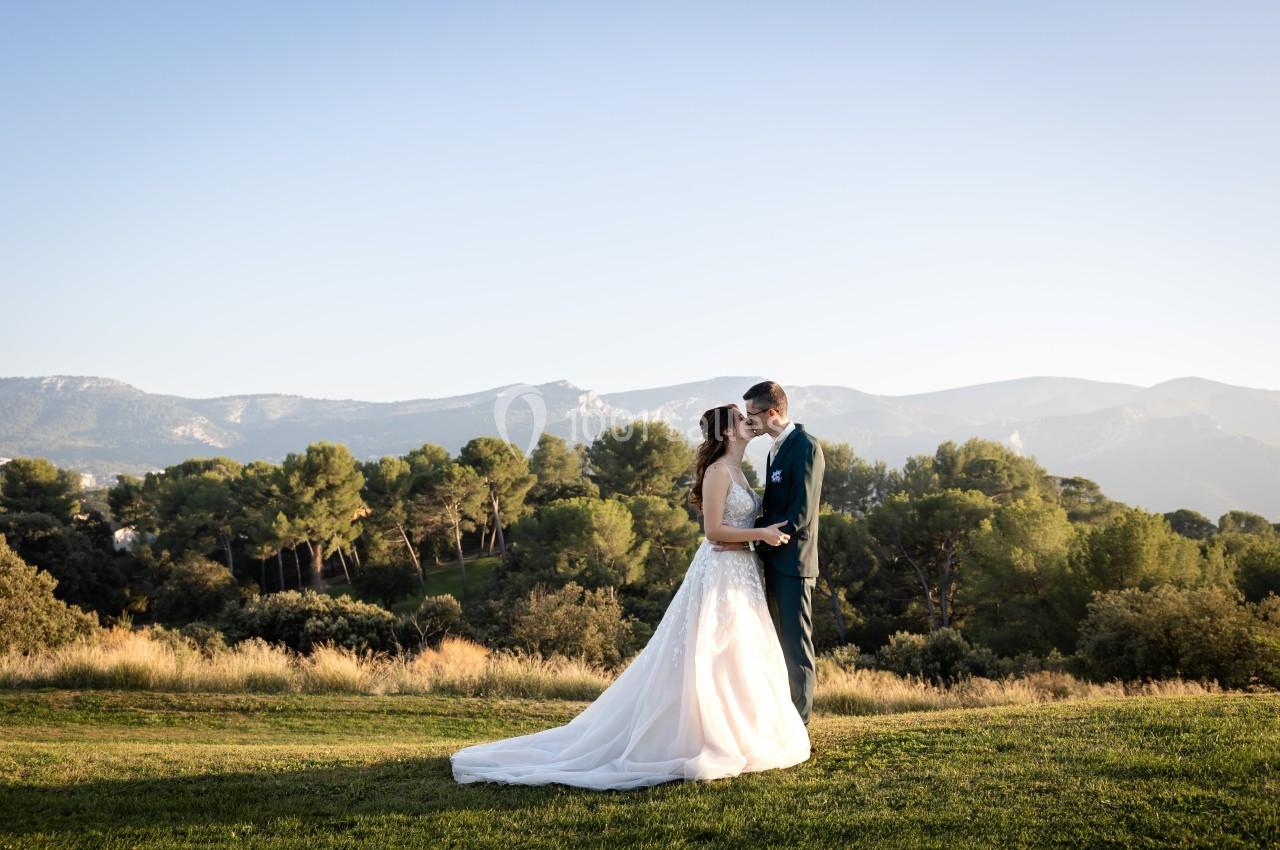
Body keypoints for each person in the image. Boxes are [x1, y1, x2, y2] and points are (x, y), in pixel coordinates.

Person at [449, 404, 810, 790]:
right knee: (708, 654)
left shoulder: (739, 469)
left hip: (741, 572)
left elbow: (736, 522)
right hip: (719, 571)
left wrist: (761, 532)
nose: (748, 422)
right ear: (727, 433)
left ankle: (742, 729)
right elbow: (713, 531)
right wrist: (761, 534)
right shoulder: (718, 472)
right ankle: (702, 736)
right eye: (741, 418)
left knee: (736, 654)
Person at [714, 380, 825, 724]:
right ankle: (778, 720)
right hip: (770, 560)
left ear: (772, 413)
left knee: (796, 646)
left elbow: (800, 514)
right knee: (773, 646)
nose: (748, 421)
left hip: (794, 563)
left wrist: (752, 541)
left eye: (752, 414)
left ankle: (800, 725)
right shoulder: (775, 448)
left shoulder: (805, 446)